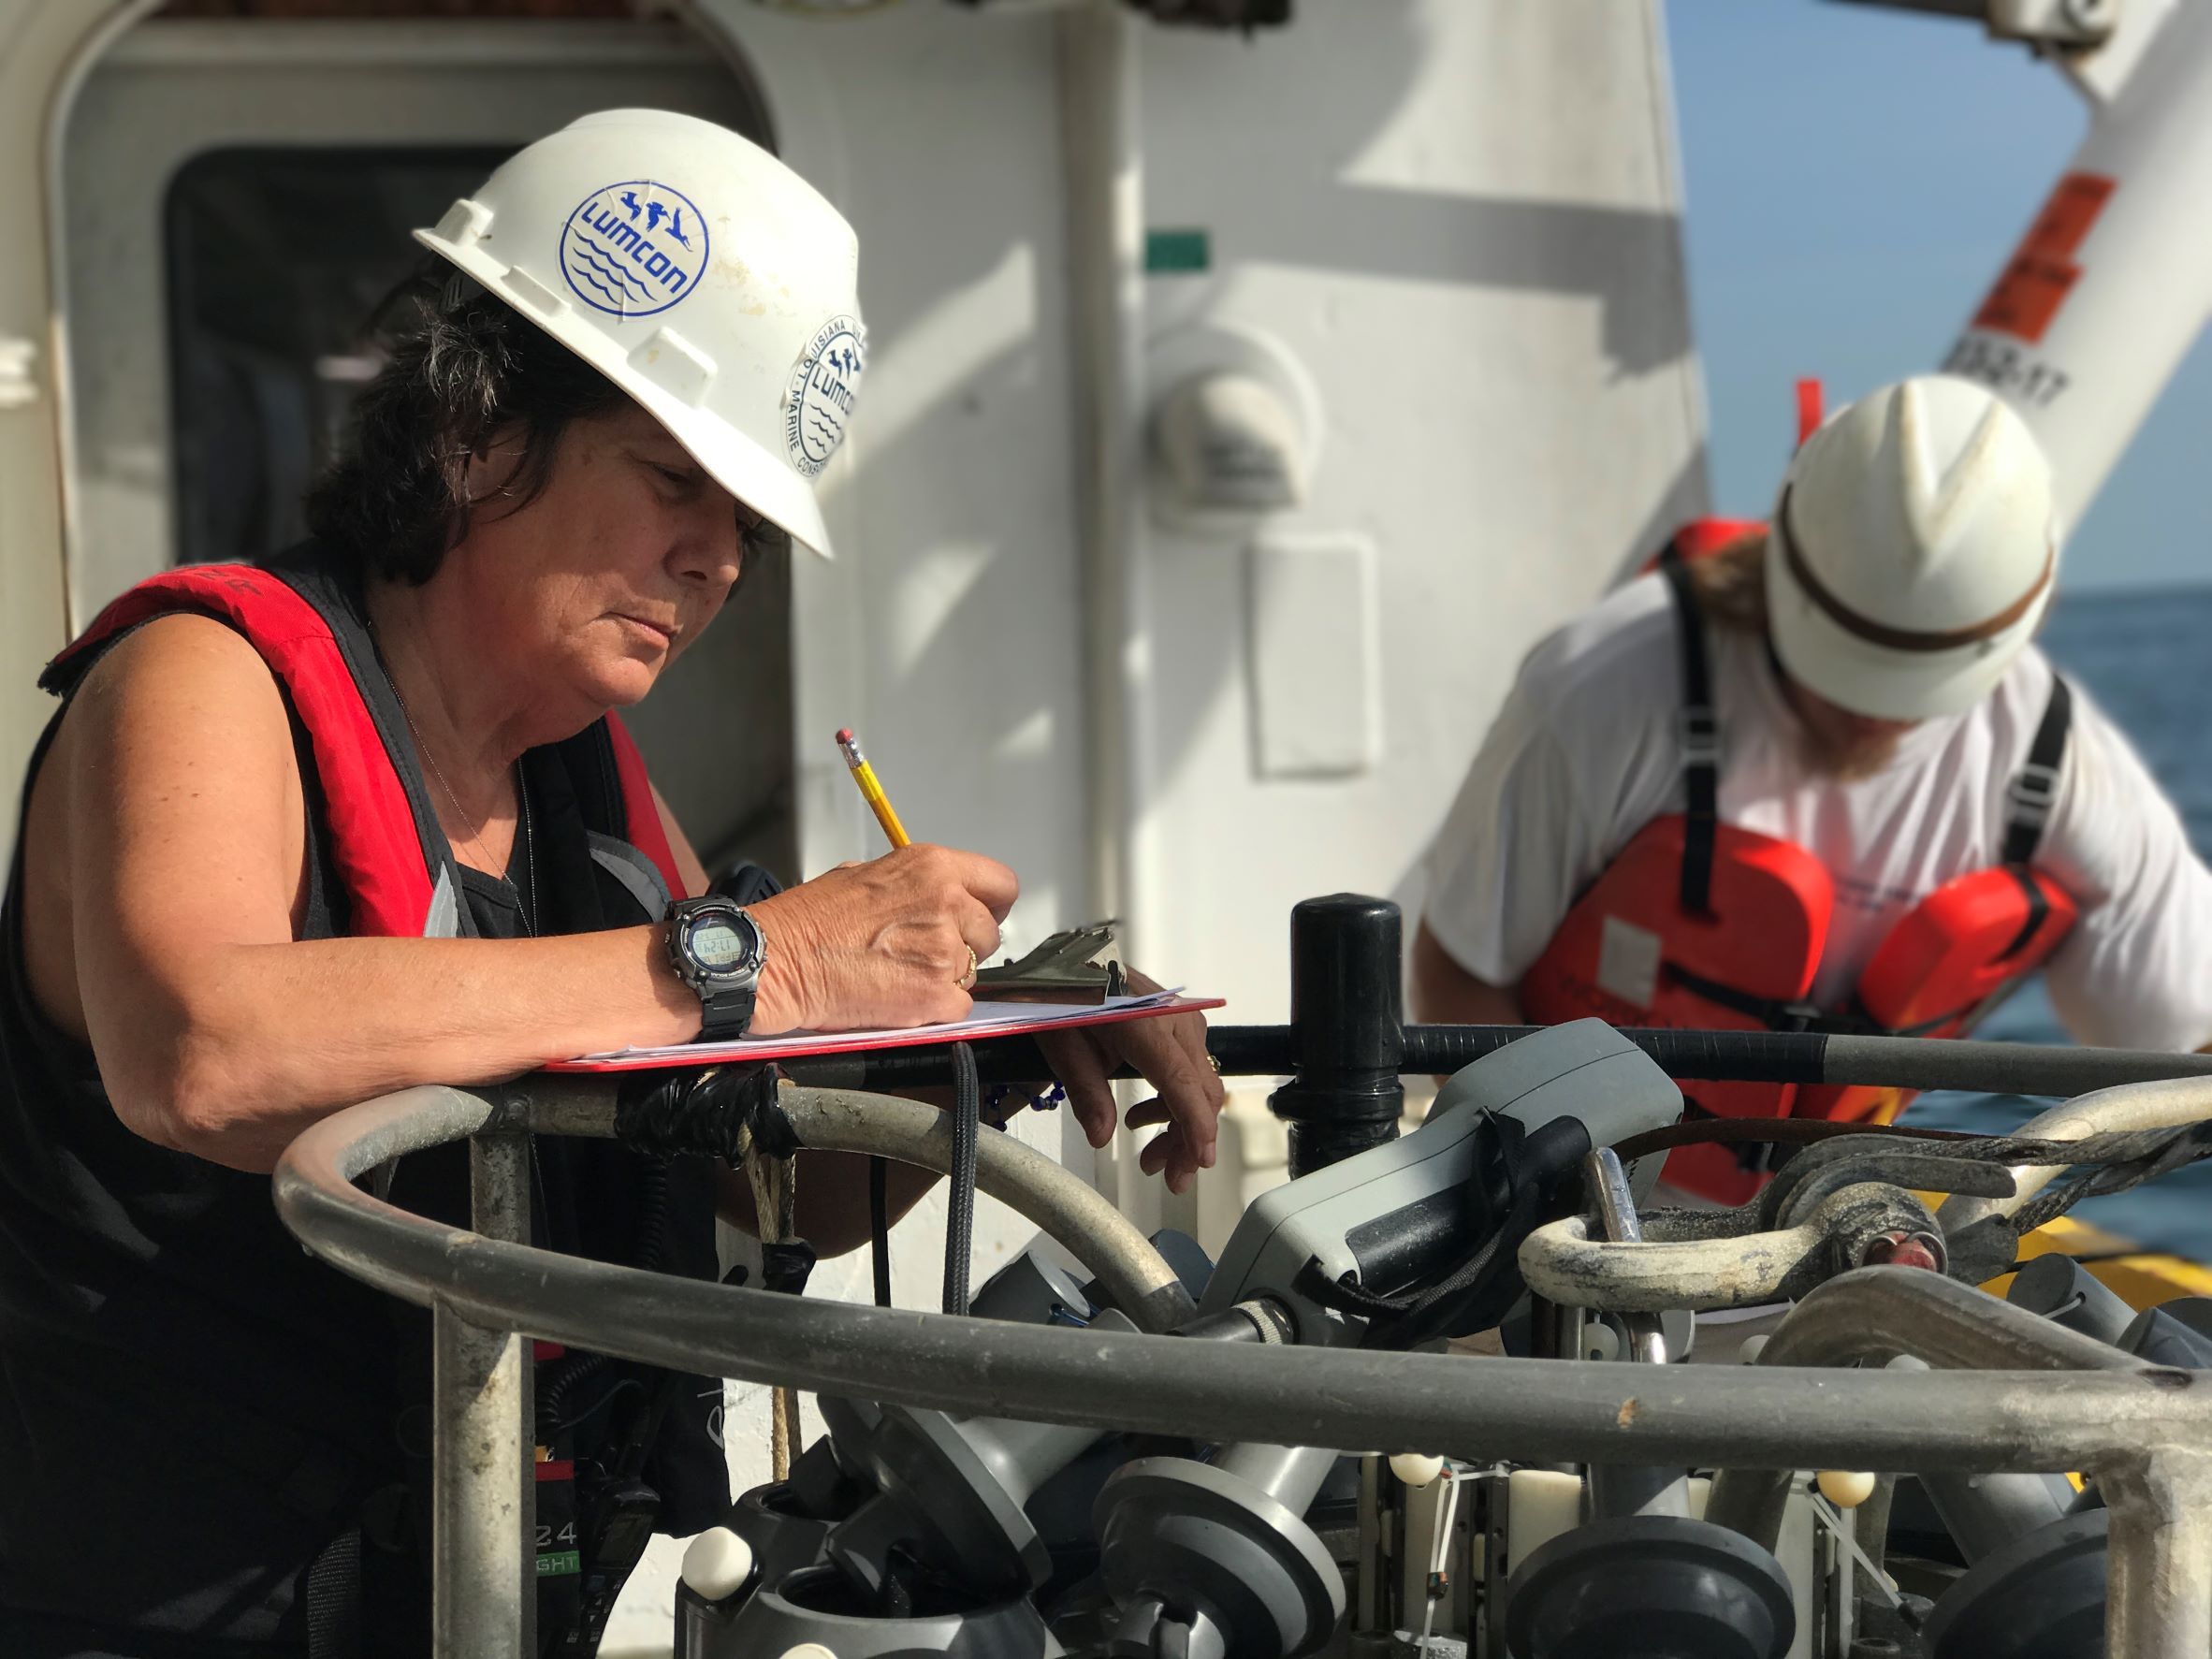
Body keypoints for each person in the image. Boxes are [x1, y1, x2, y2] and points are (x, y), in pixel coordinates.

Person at [0, 110, 1221, 1657]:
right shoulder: (203, 673)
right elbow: (199, 1050)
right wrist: (754, 959)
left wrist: (977, 1041)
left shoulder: (591, 787)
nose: (713, 557)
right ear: (477, 430)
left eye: (746, 526)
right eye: (674, 481)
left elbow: (772, 1185)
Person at [1413, 373, 2212, 1201]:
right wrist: (1550, 1212)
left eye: (1908, 696)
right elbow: (1459, 968)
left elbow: (2181, 1052)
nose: (1872, 717)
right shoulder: (1604, 689)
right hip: (1568, 1229)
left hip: (1828, 1238)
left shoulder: (2053, 761)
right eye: (1846, 673)